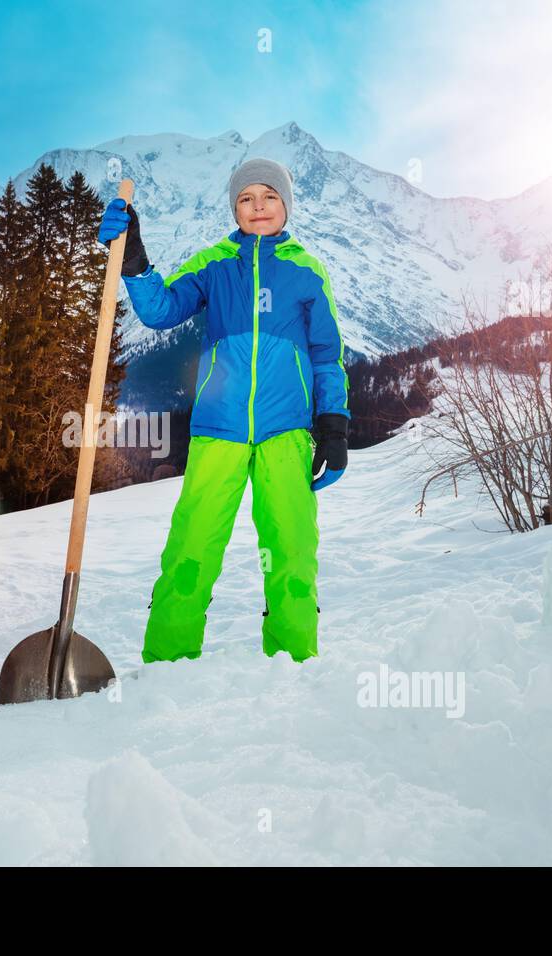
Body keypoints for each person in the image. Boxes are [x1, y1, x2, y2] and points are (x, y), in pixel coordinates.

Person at [98, 157, 349, 664]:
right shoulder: (214, 263)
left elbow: (327, 355)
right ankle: (168, 662)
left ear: (286, 204)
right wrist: (135, 263)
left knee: (292, 551)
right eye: (246, 199)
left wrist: (334, 426)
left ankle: (295, 660)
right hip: (219, 430)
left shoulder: (307, 271)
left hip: (288, 432)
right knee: (192, 548)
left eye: (269, 197)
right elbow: (161, 309)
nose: (258, 208)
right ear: (234, 209)